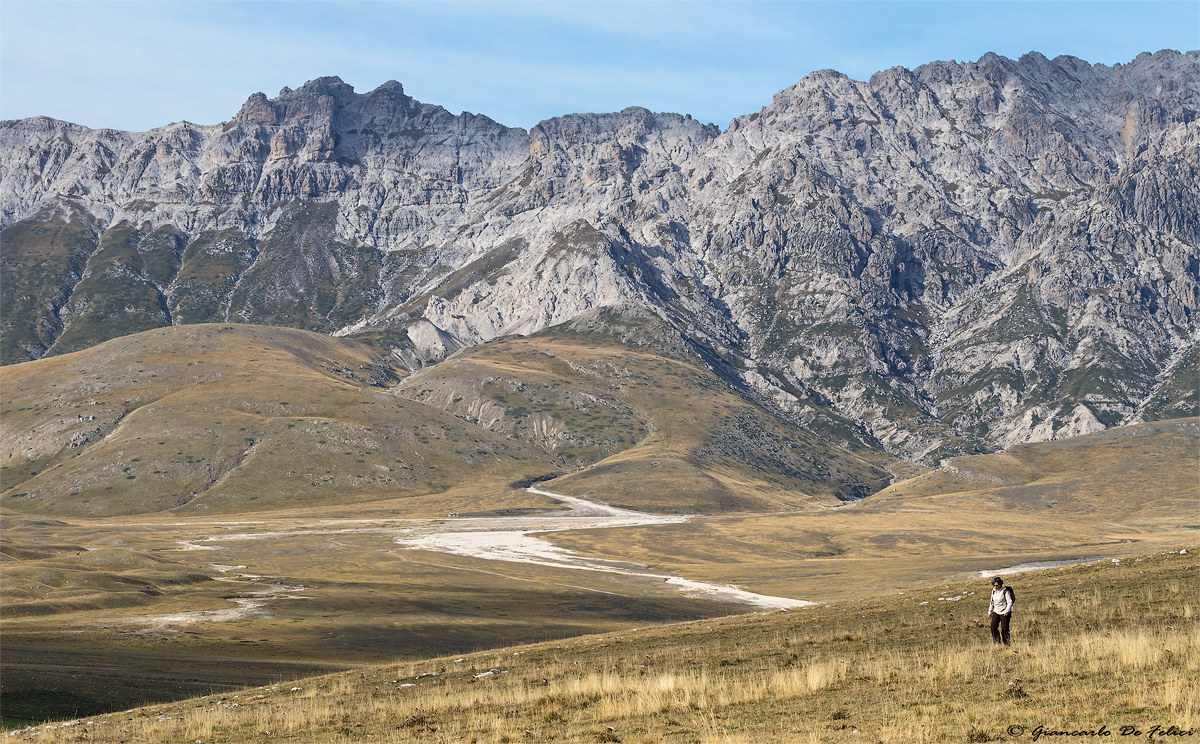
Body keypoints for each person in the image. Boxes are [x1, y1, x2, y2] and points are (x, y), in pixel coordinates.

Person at [988, 576, 1014, 645]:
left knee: (1004, 629)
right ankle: (997, 642)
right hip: (996, 611)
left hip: (1004, 612)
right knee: (993, 627)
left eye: (996, 585)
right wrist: (990, 611)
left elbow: (1010, 602)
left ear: (1000, 584)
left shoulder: (1005, 591)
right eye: (994, 585)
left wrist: (1007, 610)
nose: (995, 586)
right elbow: (992, 602)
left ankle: (1006, 644)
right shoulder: (993, 591)